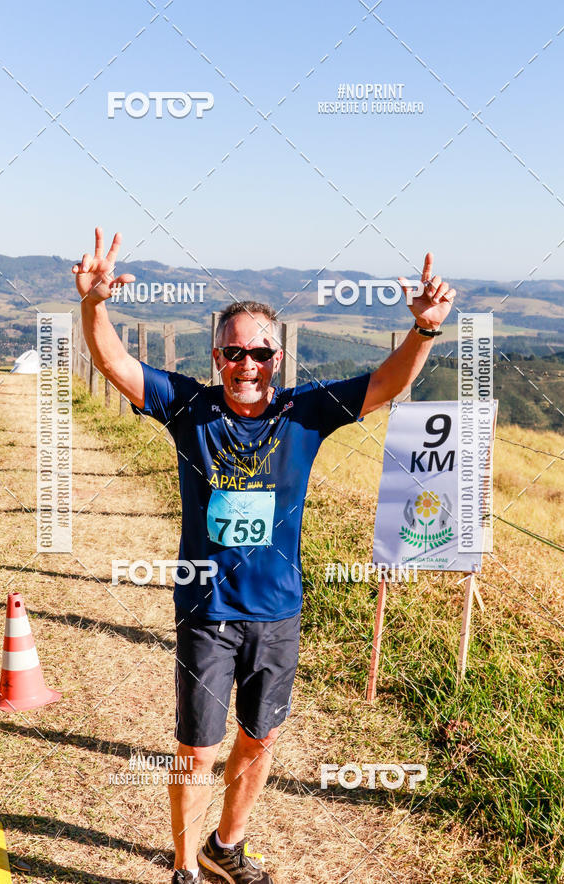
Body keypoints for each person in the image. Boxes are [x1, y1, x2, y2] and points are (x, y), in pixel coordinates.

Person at [73, 228, 456, 884]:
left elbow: (386, 384)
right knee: (197, 751)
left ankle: (228, 843)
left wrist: (422, 333)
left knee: (262, 738)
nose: (246, 366)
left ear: (276, 357)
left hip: (278, 613)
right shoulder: (188, 407)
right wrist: (94, 306)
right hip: (206, 609)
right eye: (233, 353)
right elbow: (115, 365)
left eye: (259, 353)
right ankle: (185, 867)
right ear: (216, 356)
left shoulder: (305, 413)